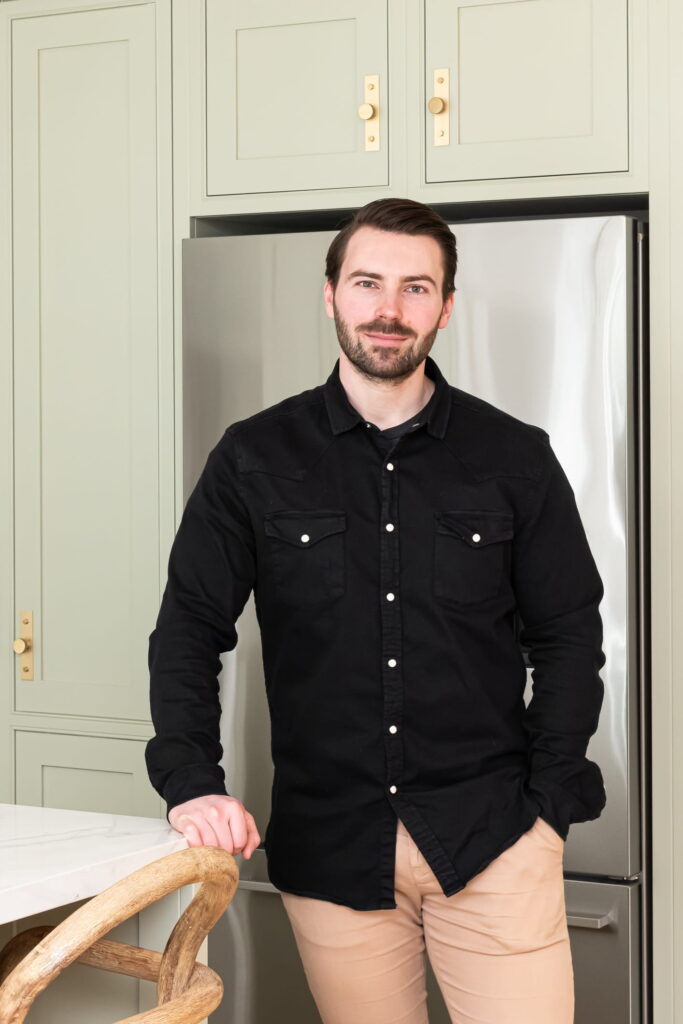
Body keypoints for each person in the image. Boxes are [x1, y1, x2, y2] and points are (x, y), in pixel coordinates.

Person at [146, 197, 606, 1024]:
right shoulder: (253, 457)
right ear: (330, 294)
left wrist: (546, 804)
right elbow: (188, 627)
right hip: (332, 847)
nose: (388, 310)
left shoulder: (514, 458)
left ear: (445, 306)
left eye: (415, 288)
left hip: (494, 834)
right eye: (367, 283)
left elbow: (568, 633)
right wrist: (189, 781)